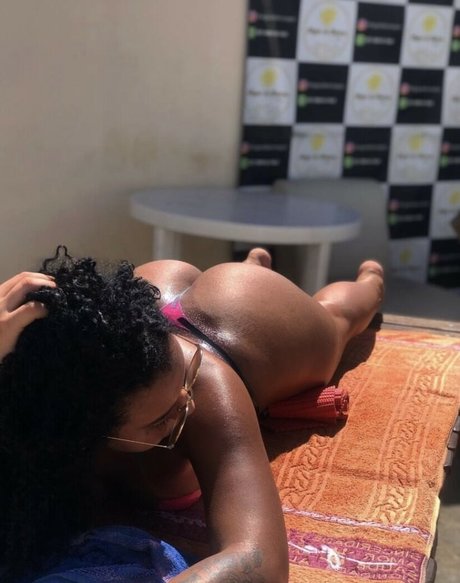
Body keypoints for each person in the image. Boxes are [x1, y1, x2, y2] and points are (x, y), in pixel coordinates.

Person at [0, 246, 384, 582]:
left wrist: (193, 373)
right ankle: (254, 260)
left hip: (244, 309)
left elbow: (259, 561)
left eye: (187, 373)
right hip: (154, 306)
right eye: (162, 420)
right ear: (85, 436)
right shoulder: (43, 414)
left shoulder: (207, 387)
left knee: (339, 319)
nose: (189, 402)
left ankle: (369, 278)